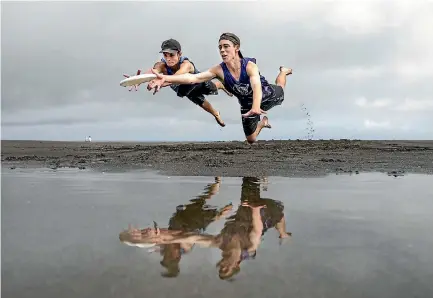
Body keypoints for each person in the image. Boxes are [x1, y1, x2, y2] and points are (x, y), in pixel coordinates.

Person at [148, 33, 292, 144]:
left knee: (281, 88)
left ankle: (284, 71)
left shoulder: (249, 66)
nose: (222, 50)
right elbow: (193, 78)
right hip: (247, 104)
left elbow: (256, 85)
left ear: (236, 48)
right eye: (220, 48)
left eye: (226, 46)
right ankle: (262, 123)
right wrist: (165, 78)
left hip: (265, 94)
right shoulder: (219, 70)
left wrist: (256, 106)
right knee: (251, 140)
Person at [145, 38, 232, 127]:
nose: (168, 59)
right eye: (165, 55)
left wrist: (164, 80)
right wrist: (136, 80)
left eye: (171, 55)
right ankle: (216, 114)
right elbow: (154, 70)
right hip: (185, 89)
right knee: (200, 102)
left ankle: (221, 85)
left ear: (179, 54)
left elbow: (179, 75)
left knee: (212, 88)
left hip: (199, 83)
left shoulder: (186, 64)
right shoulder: (162, 65)